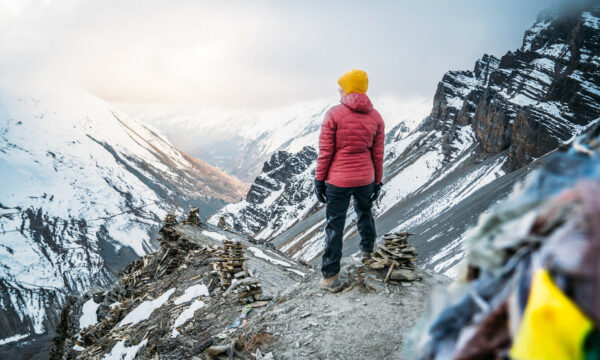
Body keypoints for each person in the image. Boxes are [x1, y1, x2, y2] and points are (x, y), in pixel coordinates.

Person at [314, 69, 384, 292]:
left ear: (349, 88)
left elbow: (325, 151)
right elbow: (378, 154)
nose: (339, 90)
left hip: (339, 179)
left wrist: (320, 179)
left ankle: (330, 277)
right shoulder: (376, 117)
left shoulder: (334, 114)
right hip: (365, 177)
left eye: (341, 86)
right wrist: (377, 181)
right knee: (365, 213)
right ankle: (368, 255)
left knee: (335, 224)